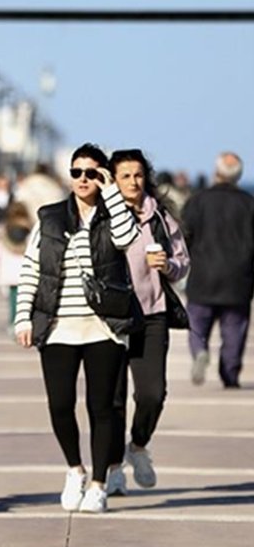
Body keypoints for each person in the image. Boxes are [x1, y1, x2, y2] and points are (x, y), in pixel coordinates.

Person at [14, 143, 140, 514]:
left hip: (103, 327)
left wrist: (112, 194)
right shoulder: (50, 218)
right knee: (60, 405)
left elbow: (127, 240)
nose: (83, 179)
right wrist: (23, 317)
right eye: (76, 172)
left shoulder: (115, 213)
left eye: (91, 173)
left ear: (103, 176)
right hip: (57, 327)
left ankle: (99, 483)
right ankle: (75, 469)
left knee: (102, 407)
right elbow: (31, 269)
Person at [104, 149, 190, 495]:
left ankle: (138, 446)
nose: (133, 182)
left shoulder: (161, 217)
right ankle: (112, 469)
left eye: (138, 175)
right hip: (110, 318)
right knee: (112, 400)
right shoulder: (102, 215)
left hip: (152, 314)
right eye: (125, 176)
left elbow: (183, 263)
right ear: (113, 180)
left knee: (152, 393)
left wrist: (168, 265)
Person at [181, 151, 254, 389]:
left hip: (203, 276)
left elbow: (184, 236)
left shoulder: (198, 201)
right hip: (238, 279)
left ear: (217, 172)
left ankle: (199, 350)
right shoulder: (249, 203)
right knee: (234, 330)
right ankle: (230, 373)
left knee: (197, 324)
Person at [0, 201, 32, 325]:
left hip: (9, 266)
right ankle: (21, 319)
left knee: (13, 295)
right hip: (24, 265)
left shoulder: (5, 229)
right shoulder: (31, 228)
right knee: (24, 295)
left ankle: (13, 320)